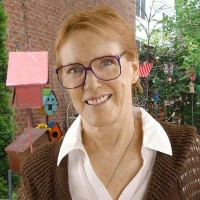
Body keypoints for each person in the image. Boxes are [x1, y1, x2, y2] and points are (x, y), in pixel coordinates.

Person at [18, 5, 200, 200]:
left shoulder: (187, 154)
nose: (92, 83)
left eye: (106, 62)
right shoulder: (39, 170)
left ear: (135, 69)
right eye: (74, 69)